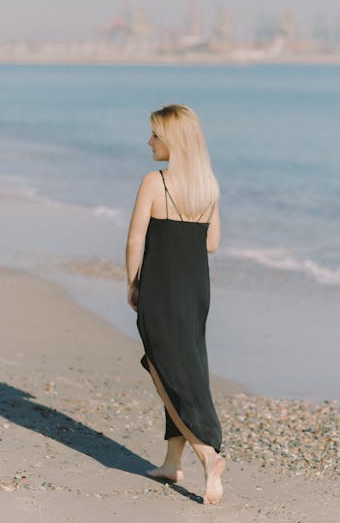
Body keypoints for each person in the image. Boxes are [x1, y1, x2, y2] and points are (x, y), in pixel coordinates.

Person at [125, 104, 225, 505]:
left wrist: (133, 283)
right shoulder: (209, 186)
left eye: (154, 135)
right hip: (196, 289)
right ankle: (171, 462)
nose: (148, 141)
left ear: (172, 141)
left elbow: (135, 240)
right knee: (185, 363)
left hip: (160, 289)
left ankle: (207, 453)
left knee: (164, 368)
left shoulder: (155, 182)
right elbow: (212, 243)